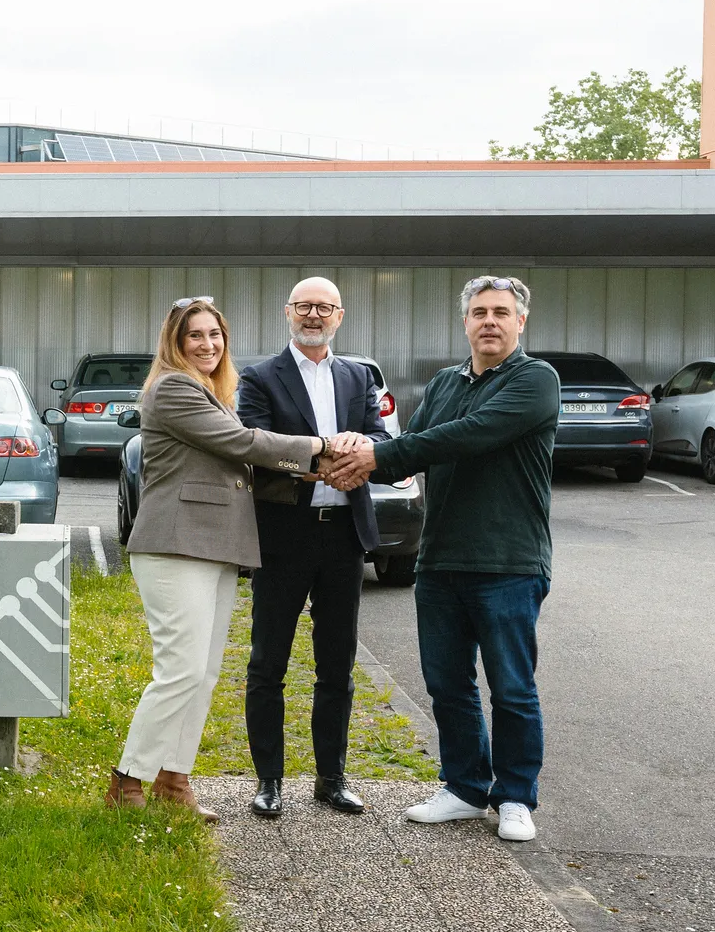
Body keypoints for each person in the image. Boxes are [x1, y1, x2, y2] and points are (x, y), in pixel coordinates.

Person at [325, 276, 559, 842]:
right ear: (465, 322)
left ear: (520, 321)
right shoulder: (445, 383)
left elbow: (469, 435)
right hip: (440, 561)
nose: (489, 321)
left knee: (512, 688)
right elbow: (414, 449)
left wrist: (374, 455)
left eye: (500, 312)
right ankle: (464, 788)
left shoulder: (536, 380)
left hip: (509, 562)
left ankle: (515, 797)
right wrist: (353, 453)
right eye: (479, 312)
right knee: (447, 684)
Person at [106, 296, 327, 823]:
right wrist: (319, 447)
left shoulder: (212, 392)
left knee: (202, 673)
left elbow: (237, 470)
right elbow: (240, 443)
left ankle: (174, 779)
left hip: (217, 546)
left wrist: (308, 472)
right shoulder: (173, 388)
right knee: (179, 670)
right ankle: (127, 779)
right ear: (175, 343)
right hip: (175, 545)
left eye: (215, 335)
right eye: (195, 336)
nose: (208, 345)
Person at [236, 277, 389, 818]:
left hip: (344, 535)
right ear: (288, 312)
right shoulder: (259, 377)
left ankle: (332, 778)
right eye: (304, 306)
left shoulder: (358, 376)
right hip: (284, 535)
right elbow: (255, 446)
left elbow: (380, 438)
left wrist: (359, 449)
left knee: (337, 665)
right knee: (267, 663)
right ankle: (269, 781)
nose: (314, 315)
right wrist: (320, 462)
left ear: (340, 316)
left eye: (325, 307)